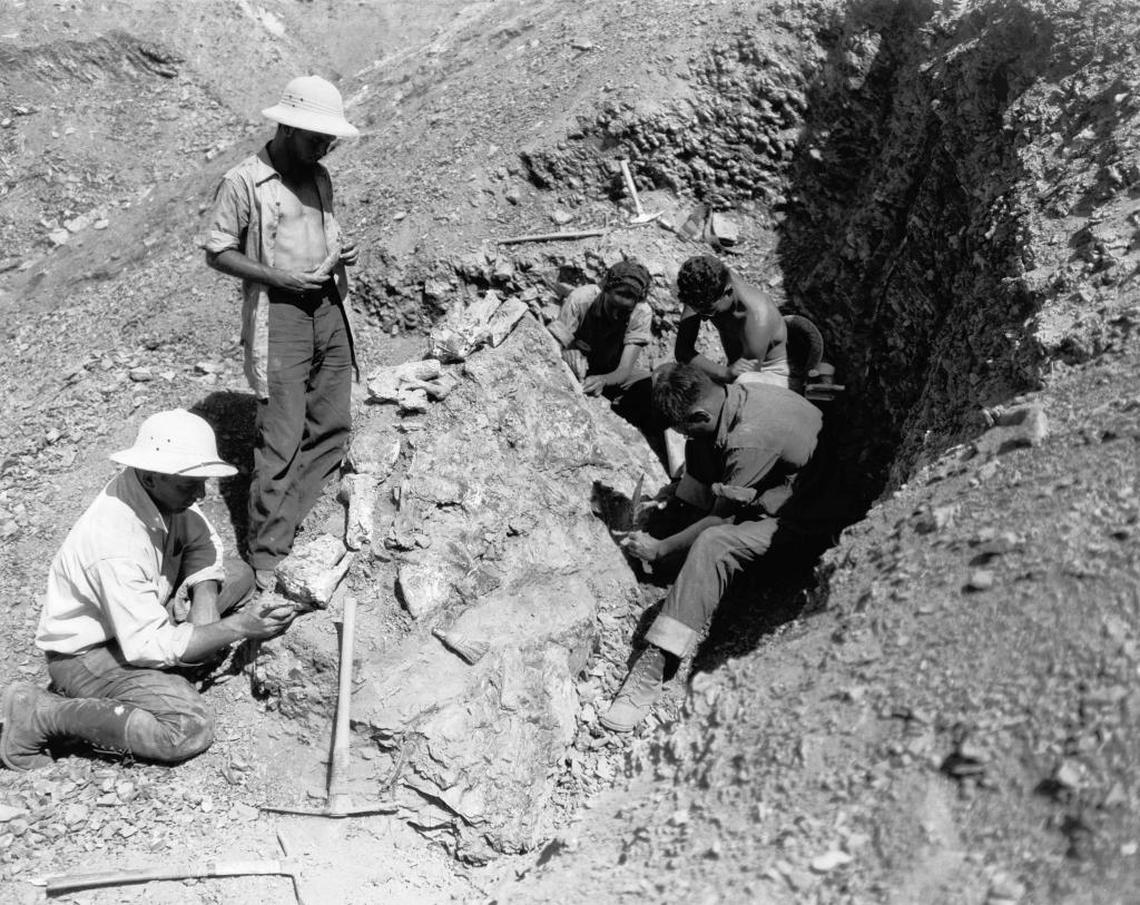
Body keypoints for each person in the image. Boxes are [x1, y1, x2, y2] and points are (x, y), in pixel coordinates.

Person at [0, 410, 296, 771]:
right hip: (88, 655)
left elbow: (203, 541)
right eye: (190, 485)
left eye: (201, 482)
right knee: (187, 728)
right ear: (153, 477)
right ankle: (43, 713)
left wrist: (204, 603)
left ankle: (183, 651)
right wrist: (238, 628)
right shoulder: (114, 542)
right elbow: (147, 646)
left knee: (239, 574)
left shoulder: (159, 492)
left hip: (143, 610)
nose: (200, 493)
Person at [600, 364, 824, 732]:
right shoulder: (738, 396)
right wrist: (671, 508)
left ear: (700, 412)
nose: (685, 435)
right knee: (701, 445)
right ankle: (676, 521)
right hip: (787, 484)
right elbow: (703, 447)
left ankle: (658, 660)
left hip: (811, 519)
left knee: (714, 542)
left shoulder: (748, 439)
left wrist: (660, 548)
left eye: (686, 425)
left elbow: (720, 520)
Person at [202, 75, 360, 591]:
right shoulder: (244, 182)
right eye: (317, 138)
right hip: (282, 313)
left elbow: (320, 231)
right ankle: (267, 556)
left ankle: (297, 517)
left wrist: (343, 253)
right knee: (281, 437)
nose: (325, 147)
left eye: (329, 140)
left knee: (332, 423)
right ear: (287, 127)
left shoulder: (320, 177)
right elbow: (217, 251)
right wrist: (279, 277)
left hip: (329, 307)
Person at [547, 259, 657, 431]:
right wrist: (568, 352)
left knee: (652, 385)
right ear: (604, 291)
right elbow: (553, 345)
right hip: (581, 368)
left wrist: (604, 380)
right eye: (613, 305)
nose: (615, 315)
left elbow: (624, 369)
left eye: (624, 310)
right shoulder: (581, 298)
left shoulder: (641, 312)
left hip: (612, 372)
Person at [673, 254, 789, 388]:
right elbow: (682, 351)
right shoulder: (703, 288)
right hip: (733, 368)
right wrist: (724, 372)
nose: (703, 318)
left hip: (770, 372)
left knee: (742, 382)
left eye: (709, 312)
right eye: (697, 311)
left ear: (728, 292)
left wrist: (725, 374)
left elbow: (747, 382)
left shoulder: (757, 317)